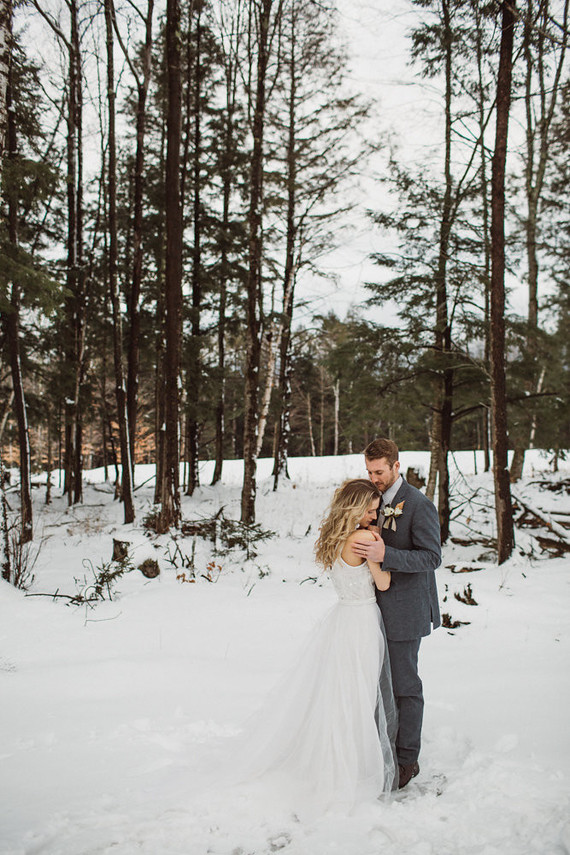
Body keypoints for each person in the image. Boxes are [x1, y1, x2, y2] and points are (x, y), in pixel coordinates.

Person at [233, 479, 398, 817]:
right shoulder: (366, 539)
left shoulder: (335, 538)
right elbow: (383, 582)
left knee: (341, 695)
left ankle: (335, 760)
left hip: (341, 620)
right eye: (369, 509)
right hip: (363, 623)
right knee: (360, 696)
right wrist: (381, 557)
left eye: (376, 510)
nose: (374, 515)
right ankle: (352, 768)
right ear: (353, 508)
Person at [352, 438, 441, 790]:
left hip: (406, 611)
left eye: (380, 471)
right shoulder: (370, 502)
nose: (374, 478)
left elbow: (431, 557)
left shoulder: (419, 505)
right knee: (378, 687)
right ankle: (381, 750)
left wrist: (384, 553)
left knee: (405, 688)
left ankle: (407, 760)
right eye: (369, 471)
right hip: (371, 614)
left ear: (396, 466)